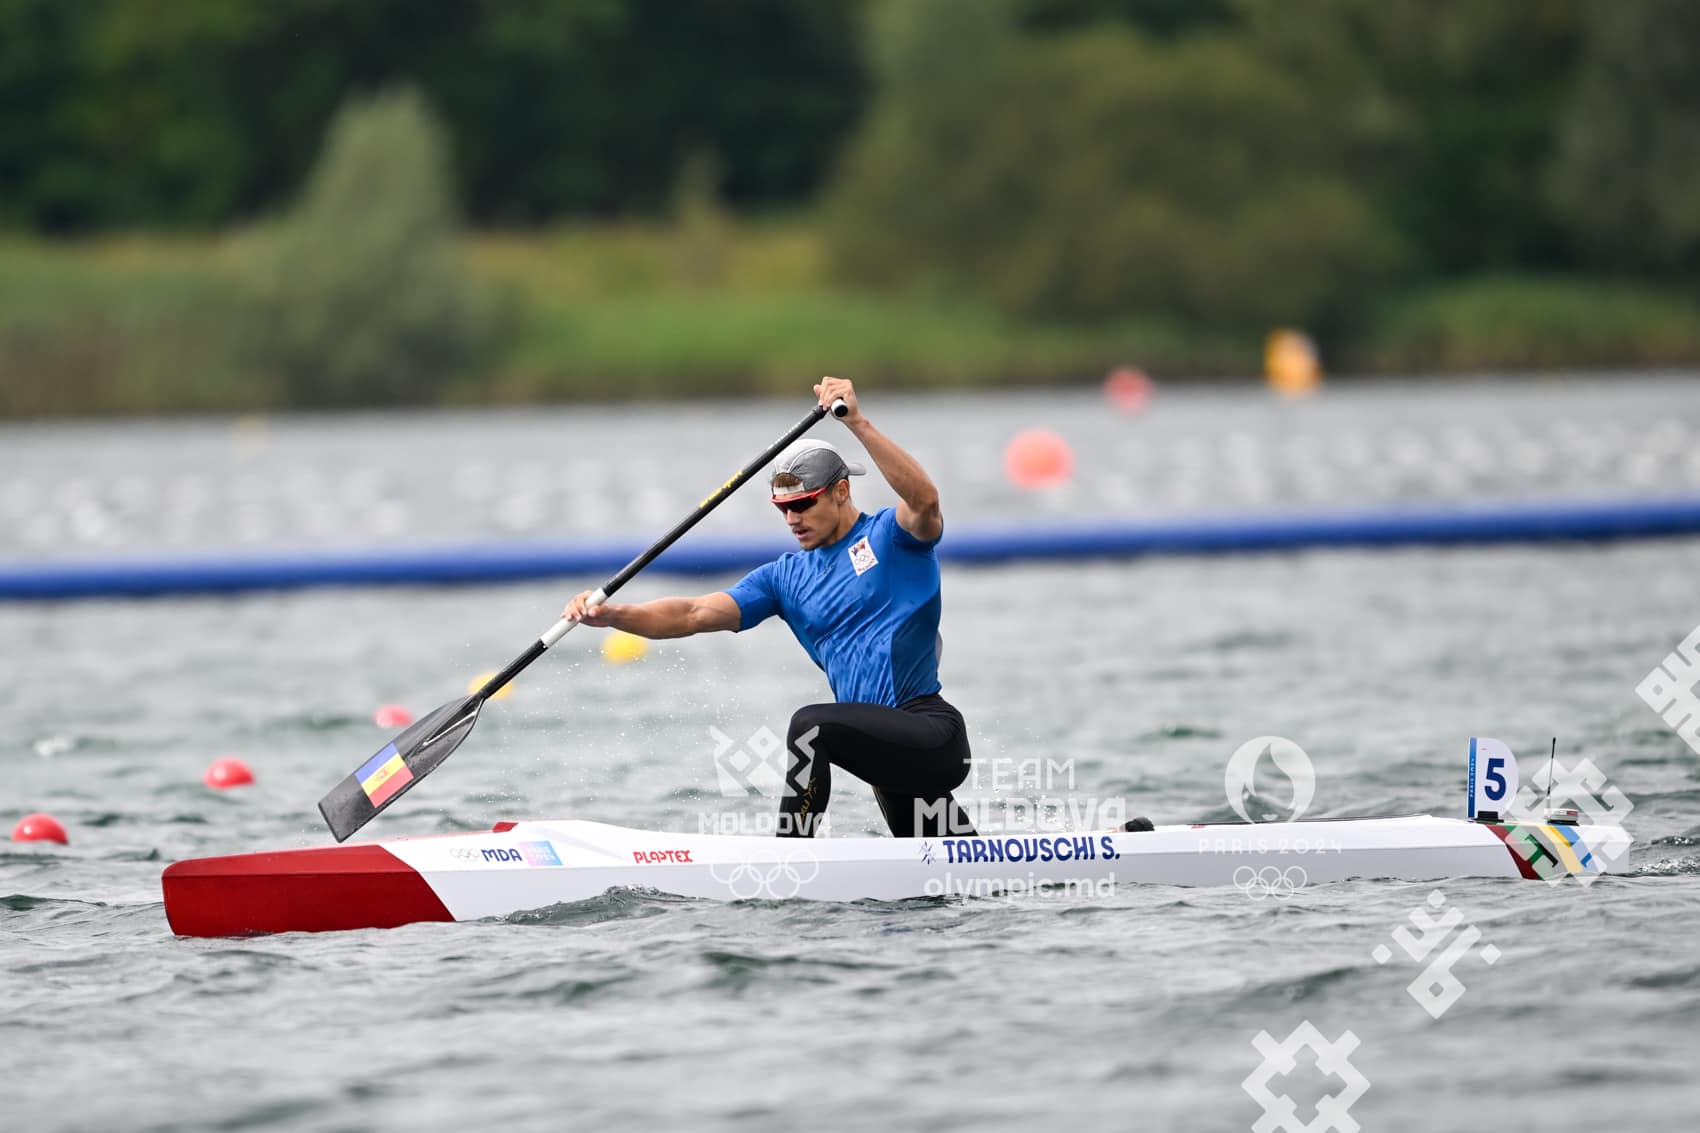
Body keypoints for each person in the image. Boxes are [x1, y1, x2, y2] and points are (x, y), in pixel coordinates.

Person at [562, 376, 975, 839]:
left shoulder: (892, 538)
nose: (792, 518)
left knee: (810, 726)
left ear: (841, 491)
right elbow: (693, 613)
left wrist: (856, 422)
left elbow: (925, 499)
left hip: (929, 732)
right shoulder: (783, 578)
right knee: (944, 881)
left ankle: (788, 854)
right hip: (885, 756)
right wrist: (613, 614)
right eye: (783, 509)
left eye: (802, 504)